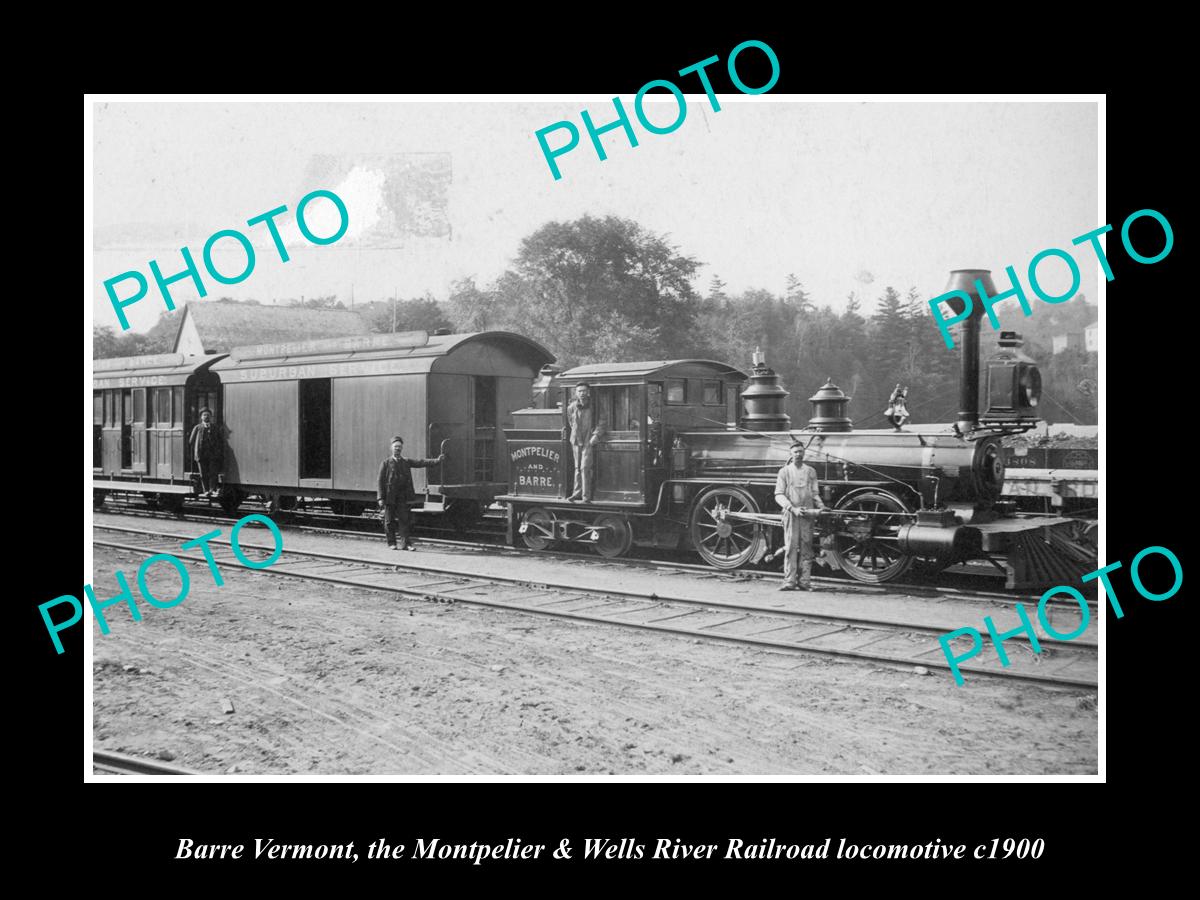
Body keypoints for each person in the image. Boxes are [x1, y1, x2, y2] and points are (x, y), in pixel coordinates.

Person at [376, 436, 446, 550]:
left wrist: (437, 461)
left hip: (402, 496)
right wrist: (380, 498)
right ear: (391, 448)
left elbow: (421, 462)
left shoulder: (406, 462)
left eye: (399, 447)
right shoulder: (385, 463)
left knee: (404, 520)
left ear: (402, 448)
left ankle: (406, 544)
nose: (397, 449)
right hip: (390, 497)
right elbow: (380, 481)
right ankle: (391, 543)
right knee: (389, 521)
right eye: (395, 447)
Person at [774, 439, 825, 591]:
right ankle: (789, 581)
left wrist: (821, 506)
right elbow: (778, 494)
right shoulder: (784, 472)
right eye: (795, 452)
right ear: (791, 454)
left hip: (808, 514)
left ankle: (805, 582)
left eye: (801, 452)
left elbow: (815, 493)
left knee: (807, 547)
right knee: (790, 547)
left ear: (804, 453)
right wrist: (791, 508)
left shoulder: (811, 471)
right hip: (791, 514)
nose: (798, 454)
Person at [564, 382, 603, 501]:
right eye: (580, 391)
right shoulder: (571, 407)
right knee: (577, 468)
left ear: (588, 392)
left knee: (584, 467)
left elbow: (602, 421)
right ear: (576, 393)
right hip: (576, 440)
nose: (582, 393)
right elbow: (571, 422)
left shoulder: (594, 406)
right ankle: (577, 494)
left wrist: (596, 435)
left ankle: (586, 496)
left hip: (588, 440)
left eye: (584, 391)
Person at [188, 407, 223, 497]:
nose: (206, 416)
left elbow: (220, 440)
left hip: (212, 455)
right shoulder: (197, 428)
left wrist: (217, 451)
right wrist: (197, 450)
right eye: (204, 415)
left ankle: (212, 489)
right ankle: (206, 490)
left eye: (208, 415)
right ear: (201, 417)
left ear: (211, 417)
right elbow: (191, 441)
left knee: (213, 472)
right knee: (203, 474)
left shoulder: (215, 427)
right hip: (201, 455)